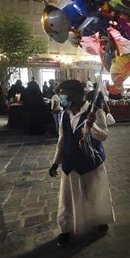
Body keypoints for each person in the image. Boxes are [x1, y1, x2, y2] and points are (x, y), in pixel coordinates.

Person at [48, 80, 115, 247]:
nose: (62, 97)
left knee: (95, 195)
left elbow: (103, 136)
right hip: (70, 164)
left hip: (91, 163)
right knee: (67, 200)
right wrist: (56, 163)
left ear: (77, 94)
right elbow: (62, 140)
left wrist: (92, 126)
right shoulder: (65, 114)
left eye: (64, 93)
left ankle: (99, 220)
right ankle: (66, 229)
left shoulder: (96, 112)